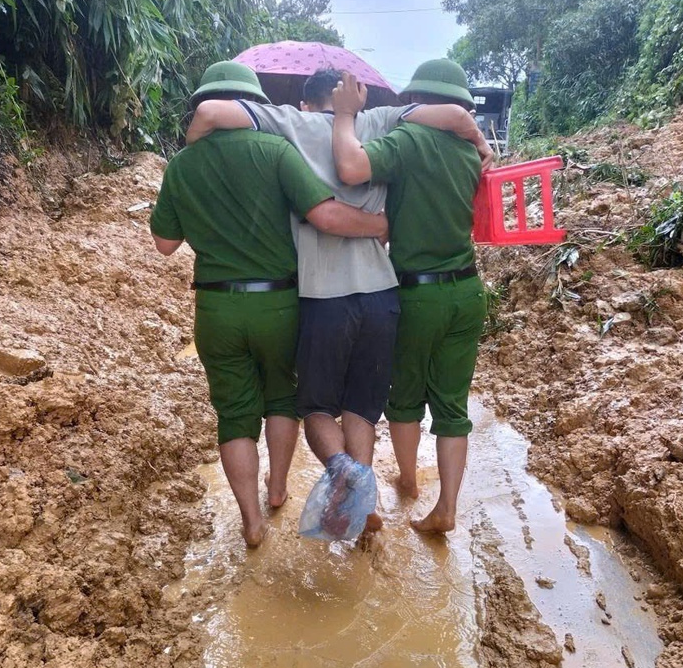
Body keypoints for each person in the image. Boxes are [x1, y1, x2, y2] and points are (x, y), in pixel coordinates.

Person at [185, 67, 492, 533]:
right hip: (382, 293)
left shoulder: (289, 123)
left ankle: (344, 473)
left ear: (307, 102)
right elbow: (452, 114)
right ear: (355, 98)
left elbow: (208, 112)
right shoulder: (384, 121)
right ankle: (363, 503)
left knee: (315, 409)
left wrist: (193, 149)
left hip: (320, 297)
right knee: (361, 408)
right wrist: (482, 142)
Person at [151, 61, 388, 548]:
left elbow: (164, 243)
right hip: (278, 302)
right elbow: (322, 212)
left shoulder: (181, 165)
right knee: (282, 398)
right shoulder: (275, 149)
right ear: (251, 103)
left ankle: (253, 521)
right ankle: (277, 488)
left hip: (216, 308)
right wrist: (384, 225)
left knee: (235, 414)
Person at [332, 60, 488, 536]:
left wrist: (342, 118)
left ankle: (407, 481)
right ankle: (447, 506)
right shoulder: (469, 153)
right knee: (453, 404)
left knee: (404, 399)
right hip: (467, 291)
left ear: (417, 100)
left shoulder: (409, 142)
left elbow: (353, 166)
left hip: (417, 293)